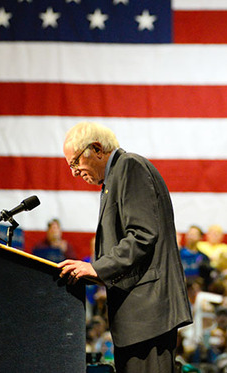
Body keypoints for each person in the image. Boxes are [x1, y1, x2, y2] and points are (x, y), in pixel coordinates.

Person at [57, 121, 193, 373]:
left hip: (149, 314)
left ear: (97, 149)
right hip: (138, 319)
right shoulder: (113, 179)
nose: (75, 172)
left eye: (75, 162)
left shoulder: (129, 167)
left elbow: (142, 234)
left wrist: (96, 269)